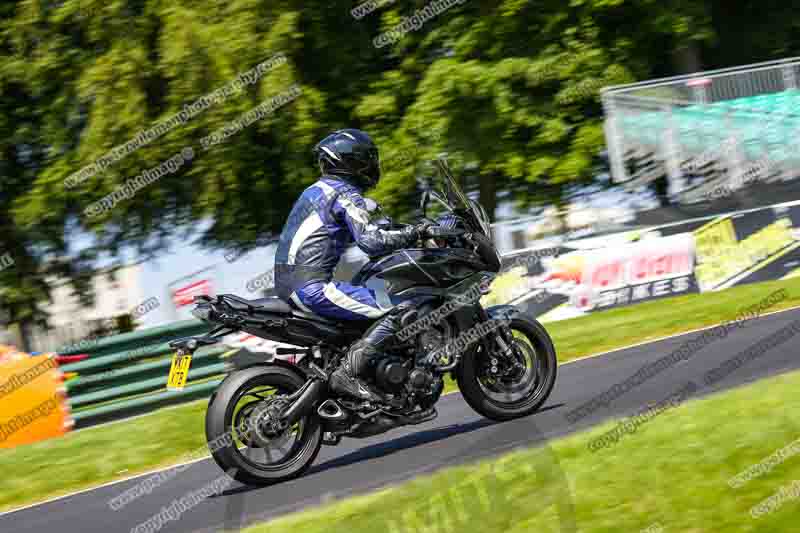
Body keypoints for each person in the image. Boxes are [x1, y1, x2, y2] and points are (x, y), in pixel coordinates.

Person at [274, 129, 431, 405]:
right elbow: (370, 240)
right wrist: (417, 233)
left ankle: (360, 371)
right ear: (351, 162)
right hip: (313, 287)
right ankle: (348, 373)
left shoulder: (315, 191)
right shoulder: (345, 193)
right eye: (368, 158)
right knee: (403, 308)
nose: (372, 164)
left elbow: (360, 228)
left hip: (289, 285)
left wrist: (395, 228)